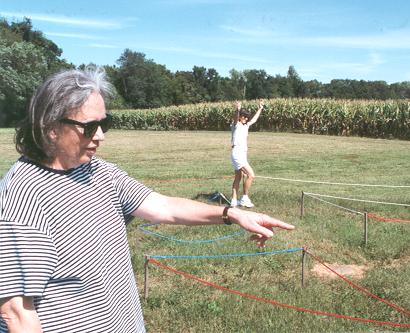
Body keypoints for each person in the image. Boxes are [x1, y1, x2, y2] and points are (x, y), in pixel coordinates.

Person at [0, 67, 294, 333]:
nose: (101, 136)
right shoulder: (24, 195)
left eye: (106, 123)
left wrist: (232, 214)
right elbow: (17, 313)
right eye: (89, 127)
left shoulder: (100, 172)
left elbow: (163, 207)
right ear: (51, 129)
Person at [230, 100, 264, 208]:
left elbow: (254, 119)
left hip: (242, 153)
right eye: (243, 116)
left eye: (246, 117)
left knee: (238, 177)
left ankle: (234, 200)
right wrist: (238, 110)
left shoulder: (246, 125)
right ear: (240, 116)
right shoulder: (236, 125)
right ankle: (244, 198)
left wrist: (260, 108)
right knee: (251, 175)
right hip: (237, 153)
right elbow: (236, 117)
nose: (245, 118)